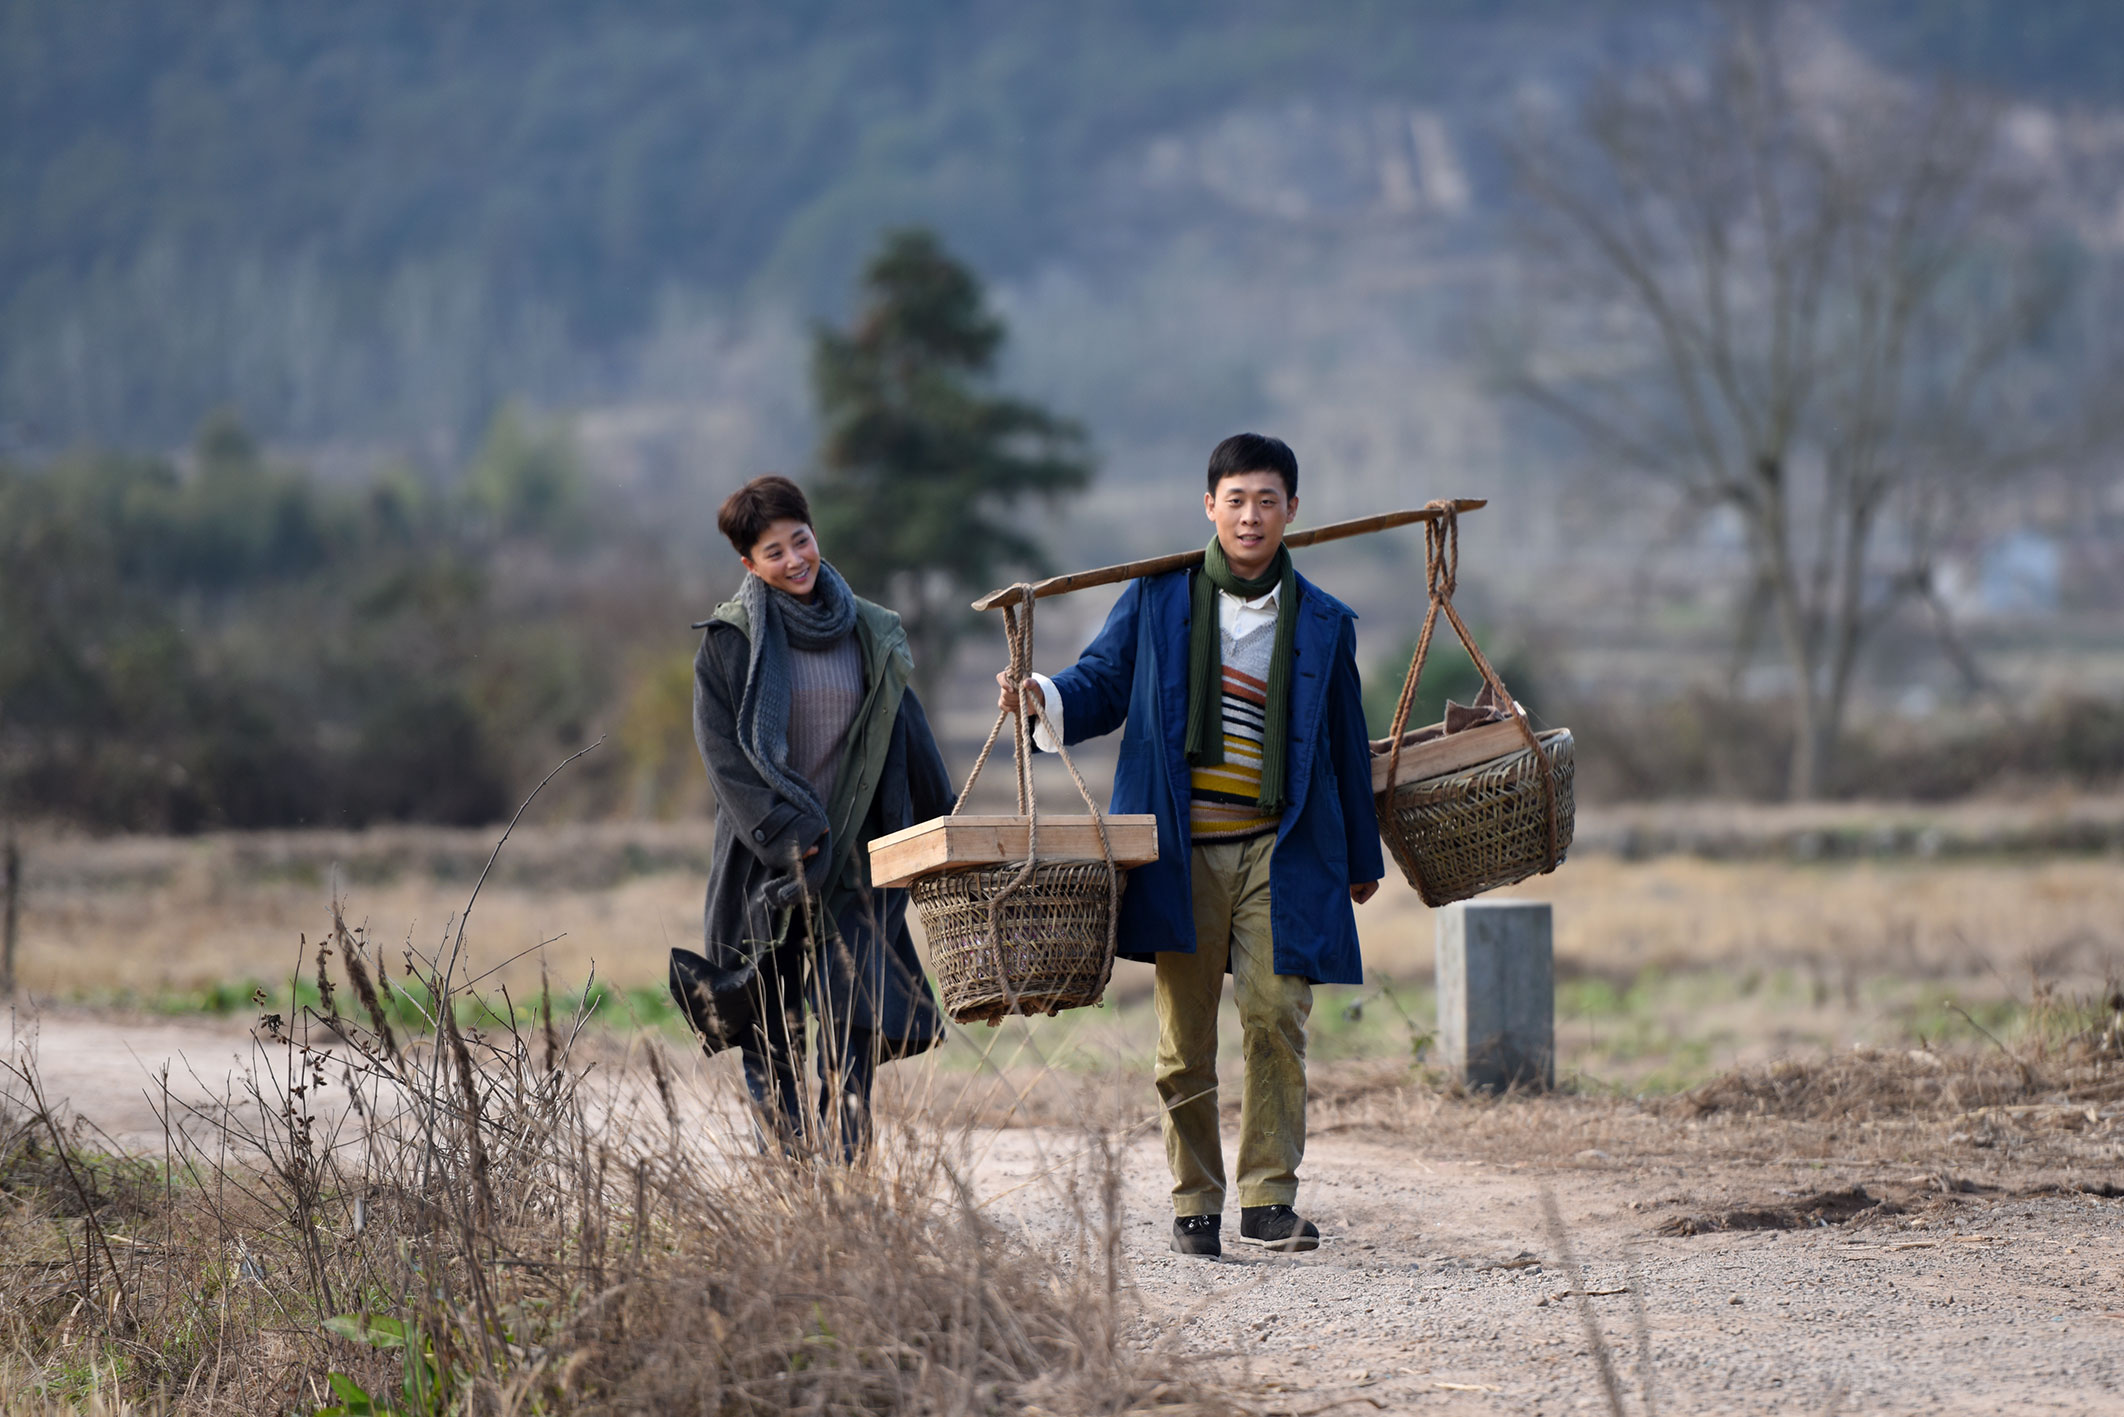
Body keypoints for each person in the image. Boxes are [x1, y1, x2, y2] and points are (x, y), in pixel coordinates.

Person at [999, 434, 1383, 1256]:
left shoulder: (1322, 622)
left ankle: (1269, 1196)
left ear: (1292, 512)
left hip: (1281, 849)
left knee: (1278, 1014)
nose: (1251, 515)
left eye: (1267, 500)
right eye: (1236, 499)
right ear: (1209, 505)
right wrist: (1041, 695)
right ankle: (1195, 1199)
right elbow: (1100, 683)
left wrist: (1358, 863)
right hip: (1178, 851)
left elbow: (1348, 745)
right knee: (1183, 1039)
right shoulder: (1157, 600)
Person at [671, 474, 954, 1160]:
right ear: (749, 565)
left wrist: (947, 823)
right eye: (774, 552)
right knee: (768, 1021)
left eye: (801, 540)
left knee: (854, 1019)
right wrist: (788, 841)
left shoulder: (869, 629)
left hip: (857, 860)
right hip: (764, 864)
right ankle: (791, 1170)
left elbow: (903, 728)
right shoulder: (729, 644)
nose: (795, 559)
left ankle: (849, 1166)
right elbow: (726, 764)